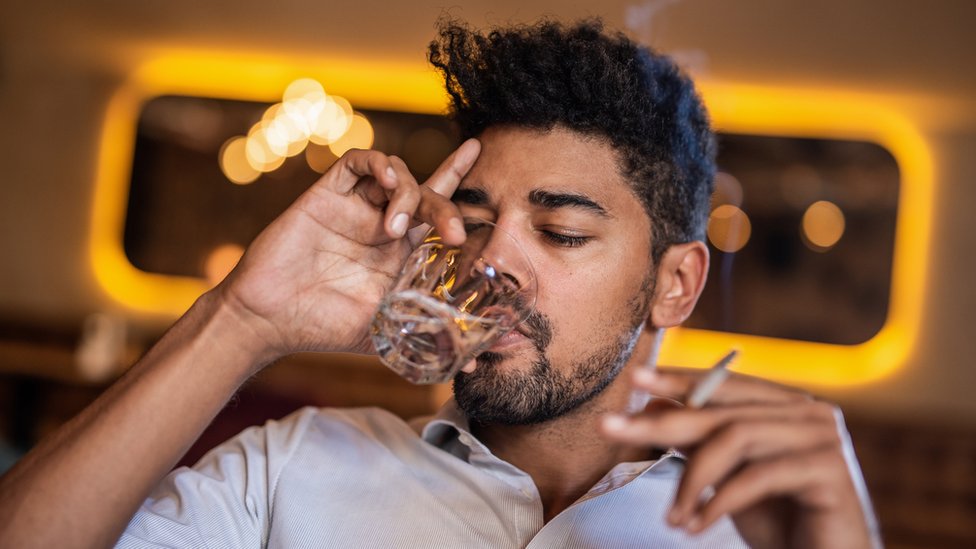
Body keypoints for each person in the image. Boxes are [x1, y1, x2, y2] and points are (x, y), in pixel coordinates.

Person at [0, 19, 880, 548]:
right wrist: (243, 318)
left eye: (561, 230)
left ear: (676, 283)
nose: (493, 259)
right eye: (477, 216)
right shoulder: (293, 467)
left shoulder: (763, 527)